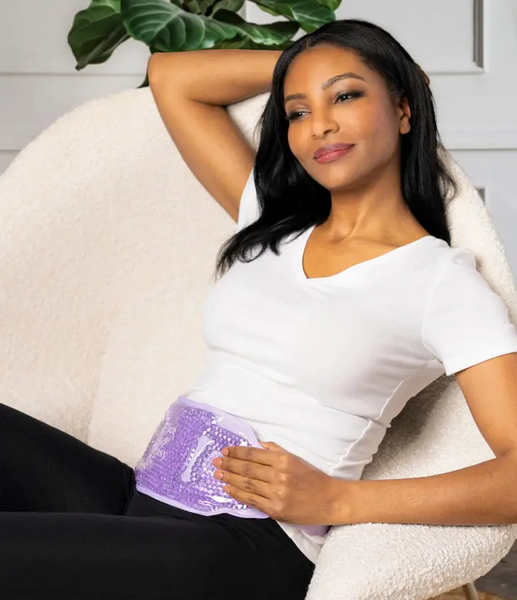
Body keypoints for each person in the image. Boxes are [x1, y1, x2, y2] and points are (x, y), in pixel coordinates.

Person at [2, 18, 517, 600]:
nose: (320, 124)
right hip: (142, 499)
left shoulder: (441, 282)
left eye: (346, 95)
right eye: (298, 110)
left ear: (403, 110)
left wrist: (341, 501)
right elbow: (172, 77)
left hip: (242, 548)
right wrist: (302, 60)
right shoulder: (272, 222)